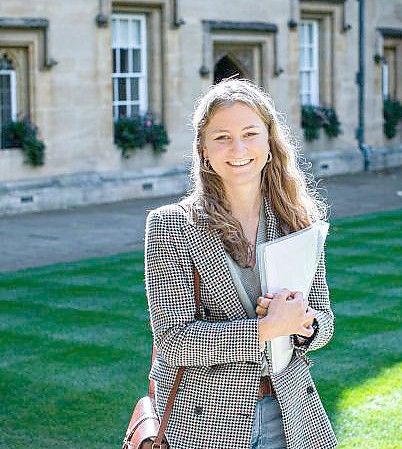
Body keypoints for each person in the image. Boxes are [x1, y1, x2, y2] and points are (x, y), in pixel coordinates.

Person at [144, 78, 337, 449]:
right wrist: (265, 328)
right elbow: (173, 341)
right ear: (203, 148)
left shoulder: (297, 220)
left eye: (250, 134)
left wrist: (303, 322)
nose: (238, 148)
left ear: (269, 143)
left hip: (291, 415)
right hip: (206, 422)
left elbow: (325, 322)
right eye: (222, 137)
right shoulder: (171, 225)